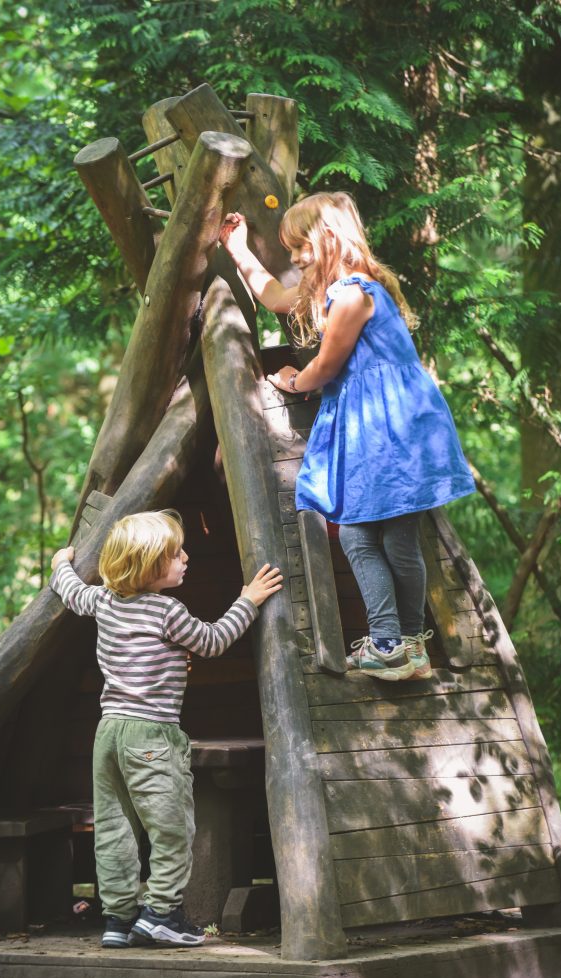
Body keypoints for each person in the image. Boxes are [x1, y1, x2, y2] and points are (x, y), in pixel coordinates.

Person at [220, 192, 475, 682]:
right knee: (396, 541)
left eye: (302, 247)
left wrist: (292, 380)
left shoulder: (353, 294)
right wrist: (237, 249)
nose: (295, 258)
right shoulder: (344, 291)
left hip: (386, 429)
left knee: (359, 535)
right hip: (391, 426)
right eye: (290, 249)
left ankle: (388, 644)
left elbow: (327, 365)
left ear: (330, 238)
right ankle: (408, 648)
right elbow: (274, 296)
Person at [50, 510, 282, 949]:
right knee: (172, 828)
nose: (186, 558)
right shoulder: (166, 610)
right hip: (152, 735)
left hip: (109, 734)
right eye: (175, 554)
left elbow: (71, 592)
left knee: (115, 831)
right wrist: (248, 599)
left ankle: (118, 919)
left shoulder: (103, 601)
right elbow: (213, 641)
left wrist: (61, 562)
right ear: (149, 565)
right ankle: (162, 913)